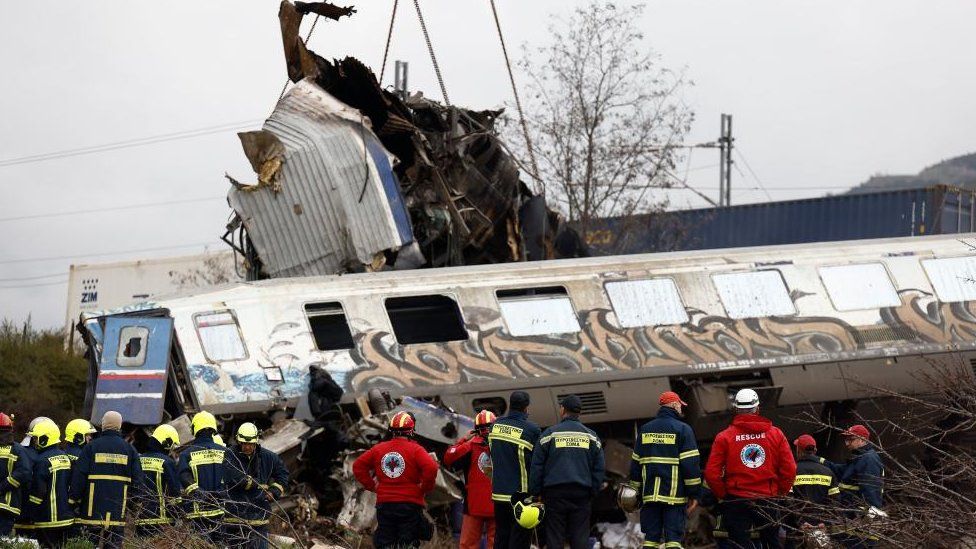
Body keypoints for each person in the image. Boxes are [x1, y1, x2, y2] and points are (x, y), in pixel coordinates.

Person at [704, 388, 796, 549]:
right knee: (773, 542)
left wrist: (724, 495)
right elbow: (789, 468)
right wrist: (780, 492)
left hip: (736, 500)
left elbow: (712, 474)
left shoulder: (724, 437)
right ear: (758, 408)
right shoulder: (776, 434)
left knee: (740, 544)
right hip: (768, 499)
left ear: (736, 410)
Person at [528, 394, 606, 549]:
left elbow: (537, 465)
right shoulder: (592, 437)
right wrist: (593, 491)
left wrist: (535, 492)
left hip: (554, 494)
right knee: (579, 536)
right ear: (579, 412)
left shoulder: (549, 435)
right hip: (581, 494)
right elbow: (599, 468)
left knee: (555, 535)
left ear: (563, 409)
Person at [353, 411, 439, 549]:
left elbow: (358, 466)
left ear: (391, 430)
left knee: (385, 541)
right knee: (407, 542)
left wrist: (372, 486)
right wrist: (424, 488)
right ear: (411, 430)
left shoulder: (378, 449)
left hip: (385, 504)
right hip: (410, 505)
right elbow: (432, 468)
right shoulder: (417, 450)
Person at [630, 391, 701, 549]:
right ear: (675, 405)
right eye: (680, 406)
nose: (682, 409)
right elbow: (690, 465)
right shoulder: (683, 430)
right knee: (673, 540)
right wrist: (694, 493)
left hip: (649, 496)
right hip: (674, 498)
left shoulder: (645, 430)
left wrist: (635, 492)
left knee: (650, 539)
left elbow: (635, 464)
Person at [69, 410, 143, 549]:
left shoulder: (91, 447)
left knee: (90, 544)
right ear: (119, 426)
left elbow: (79, 476)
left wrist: (73, 500)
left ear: (103, 425)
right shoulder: (130, 449)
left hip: (92, 510)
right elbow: (138, 480)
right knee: (114, 545)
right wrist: (135, 505)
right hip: (117, 511)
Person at [488, 391, 542, 549]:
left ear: (510, 404)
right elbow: (537, 463)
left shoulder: (495, 426)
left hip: (498, 494)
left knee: (501, 536)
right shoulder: (531, 430)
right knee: (520, 540)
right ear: (526, 408)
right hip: (521, 495)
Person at [225, 422, 290, 549]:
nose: (247, 447)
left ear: (256, 441)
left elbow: (283, 475)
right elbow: (232, 477)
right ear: (238, 441)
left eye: (250, 444)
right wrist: (254, 484)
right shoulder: (229, 455)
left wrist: (274, 491)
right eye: (244, 443)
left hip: (259, 519)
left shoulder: (269, 457)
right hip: (233, 520)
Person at [444, 410, 497, 549]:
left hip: (473, 504)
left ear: (475, 429)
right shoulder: (504, 445)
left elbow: (448, 457)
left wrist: (464, 439)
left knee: (468, 544)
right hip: (498, 503)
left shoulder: (469, 446)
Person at [826, 425, 884, 548]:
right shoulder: (860, 458)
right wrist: (819, 461)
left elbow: (871, 492)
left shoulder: (868, 460)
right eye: (846, 440)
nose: (847, 444)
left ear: (862, 440)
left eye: (850, 439)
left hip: (860, 525)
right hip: (854, 521)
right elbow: (841, 470)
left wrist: (864, 518)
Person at [178, 411, 229, 543]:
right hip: (221, 510)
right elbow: (233, 478)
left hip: (197, 513)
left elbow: (183, 476)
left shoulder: (186, 454)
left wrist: (198, 492)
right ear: (213, 429)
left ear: (195, 428)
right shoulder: (225, 452)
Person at [25, 419, 74, 548]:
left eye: (36, 438)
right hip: (66, 517)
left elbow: (39, 491)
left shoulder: (42, 461)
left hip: (48, 519)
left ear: (45, 439)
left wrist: (29, 511)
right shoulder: (65, 457)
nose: (34, 441)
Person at [785, 434, 838, 549]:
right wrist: (825, 523)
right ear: (815, 450)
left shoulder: (792, 472)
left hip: (796, 530)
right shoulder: (828, 472)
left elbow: (788, 501)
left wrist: (800, 523)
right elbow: (835, 502)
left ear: (798, 450)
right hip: (821, 530)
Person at [135, 424, 182, 536]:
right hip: (162, 522)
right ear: (166, 442)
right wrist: (178, 515)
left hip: (140, 519)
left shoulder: (138, 460)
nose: (171, 449)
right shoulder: (167, 462)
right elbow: (174, 492)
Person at [0, 412, 31, 537]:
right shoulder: (18, 450)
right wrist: (3, 487)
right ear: (10, 429)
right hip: (7, 506)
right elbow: (24, 472)